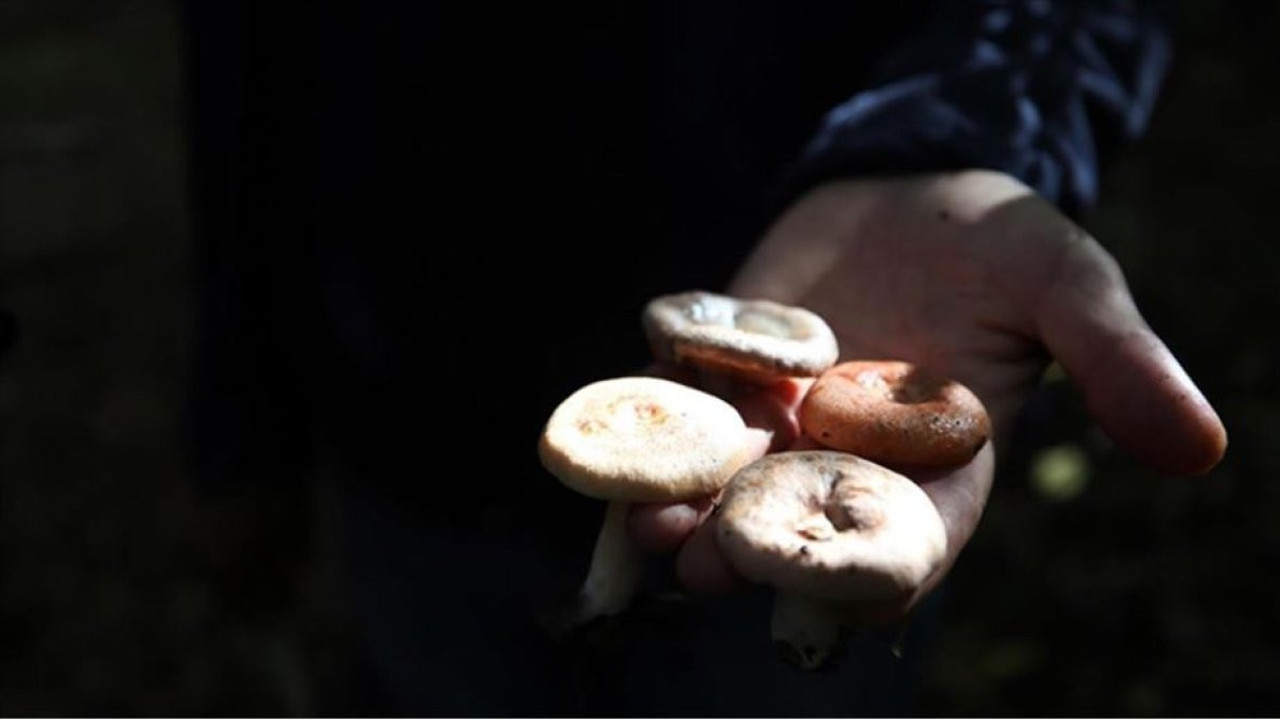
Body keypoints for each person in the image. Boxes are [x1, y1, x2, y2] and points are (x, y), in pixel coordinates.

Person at [177, 0, 1226, 715]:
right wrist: (242, 419)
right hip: (409, 433)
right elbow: (241, 66)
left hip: (770, 432)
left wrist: (958, 136)